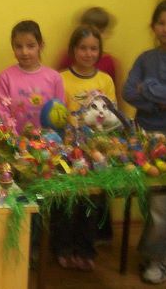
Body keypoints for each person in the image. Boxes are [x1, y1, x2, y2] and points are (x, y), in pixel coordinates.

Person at [52, 25, 117, 272]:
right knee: (66, 201)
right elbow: (57, 115)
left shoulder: (105, 80)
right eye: (82, 48)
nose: (88, 53)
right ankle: (63, 248)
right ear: (73, 50)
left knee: (91, 201)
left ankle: (86, 249)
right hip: (67, 150)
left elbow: (111, 115)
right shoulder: (60, 78)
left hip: (96, 152)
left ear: (100, 51)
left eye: (93, 49)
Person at [123, 0, 166, 284]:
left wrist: (149, 88)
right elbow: (129, 92)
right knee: (149, 200)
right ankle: (152, 251)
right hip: (143, 135)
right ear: (153, 26)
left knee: (162, 203)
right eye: (161, 22)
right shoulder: (145, 59)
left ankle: (161, 259)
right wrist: (162, 100)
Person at [0, 20, 65, 133]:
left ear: (40, 46)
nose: (24, 52)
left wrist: (51, 137)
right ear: (13, 47)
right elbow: (2, 111)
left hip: (48, 140)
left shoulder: (55, 78)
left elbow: (59, 112)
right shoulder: (5, 77)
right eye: (18, 46)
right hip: (14, 140)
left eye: (30, 46)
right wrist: (14, 137)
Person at [57, 6, 118, 83]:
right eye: (87, 31)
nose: (93, 35)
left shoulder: (108, 62)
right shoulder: (69, 57)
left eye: (101, 31)